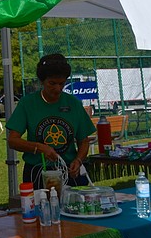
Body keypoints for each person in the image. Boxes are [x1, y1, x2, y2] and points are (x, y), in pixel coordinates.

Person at [6, 54, 95, 188]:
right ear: (42, 81)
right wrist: (39, 148)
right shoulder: (28, 104)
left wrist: (78, 160)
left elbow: (84, 141)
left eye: (61, 83)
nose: (58, 89)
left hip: (68, 170)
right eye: (52, 83)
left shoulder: (73, 104)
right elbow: (13, 141)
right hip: (38, 171)